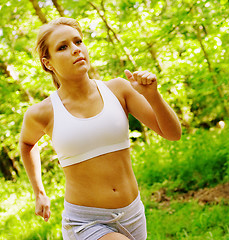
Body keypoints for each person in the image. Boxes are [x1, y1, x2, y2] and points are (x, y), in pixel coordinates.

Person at [19, 17, 181, 240]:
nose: (76, 50)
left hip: (133, 214)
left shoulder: (119, 89)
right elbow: (28, 143)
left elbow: (173, 133)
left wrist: (153, 96)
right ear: (48, 63)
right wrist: (39, 192)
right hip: (85, 221)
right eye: (63, 47)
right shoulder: (43, 112)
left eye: (78, 42)